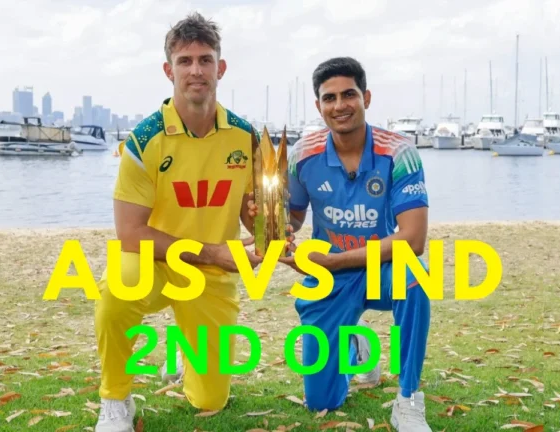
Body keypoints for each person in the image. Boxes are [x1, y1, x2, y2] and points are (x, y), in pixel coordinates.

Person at [93, 12, 264, 432]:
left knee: (211, 401)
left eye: (205, 60)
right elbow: (130, 233)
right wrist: (215, 252)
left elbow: (254, 212)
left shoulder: (246, 137)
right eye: (185, 61)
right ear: (169, 70)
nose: (196, 70)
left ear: (220, 69)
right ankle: (115, 399)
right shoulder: (143, 140)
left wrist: (266, 231)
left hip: (211, 274)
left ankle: (184, 354)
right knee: (117, 290)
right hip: (155, 261)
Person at [250, 57, 432, 431]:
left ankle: (409, 399)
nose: (339, 105)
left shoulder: (399, 152)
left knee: (416, 278)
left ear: (365, 97)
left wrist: (335, 262)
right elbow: (295, 218)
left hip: (381, 268)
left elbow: (413, 240)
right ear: (319, 106)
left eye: (348, 94)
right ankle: (355, 348)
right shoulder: (302, 154)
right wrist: (271, 222)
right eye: (329, 98)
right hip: (329, 279)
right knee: (323, 401)